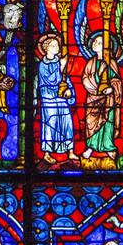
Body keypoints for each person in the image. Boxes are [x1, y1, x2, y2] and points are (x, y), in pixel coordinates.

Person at [81, 31, 123, 163]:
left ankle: (108, 146)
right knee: (91, 123)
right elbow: (85, 79)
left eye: (99, 42)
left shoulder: (111, 63)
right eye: (95, 42)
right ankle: (91, 146)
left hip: (108, 100)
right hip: (93, 98)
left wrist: (111, 88)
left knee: (108, 122)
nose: (95, 44)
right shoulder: (90, 62)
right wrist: (97, 89)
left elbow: (117, 81)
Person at [37, 33, 78, 165]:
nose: (57, 47)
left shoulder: (59, 61)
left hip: (61, 98)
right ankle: (47, 153)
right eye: (53, 45)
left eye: (57, 45)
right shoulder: (42, 64)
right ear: (46, 47)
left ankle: (70, 150)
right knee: (50, 124)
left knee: (67, 122)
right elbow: (50, 80)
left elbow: (66, 80)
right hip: (49, 98)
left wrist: (69, 92)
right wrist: (60, 67)